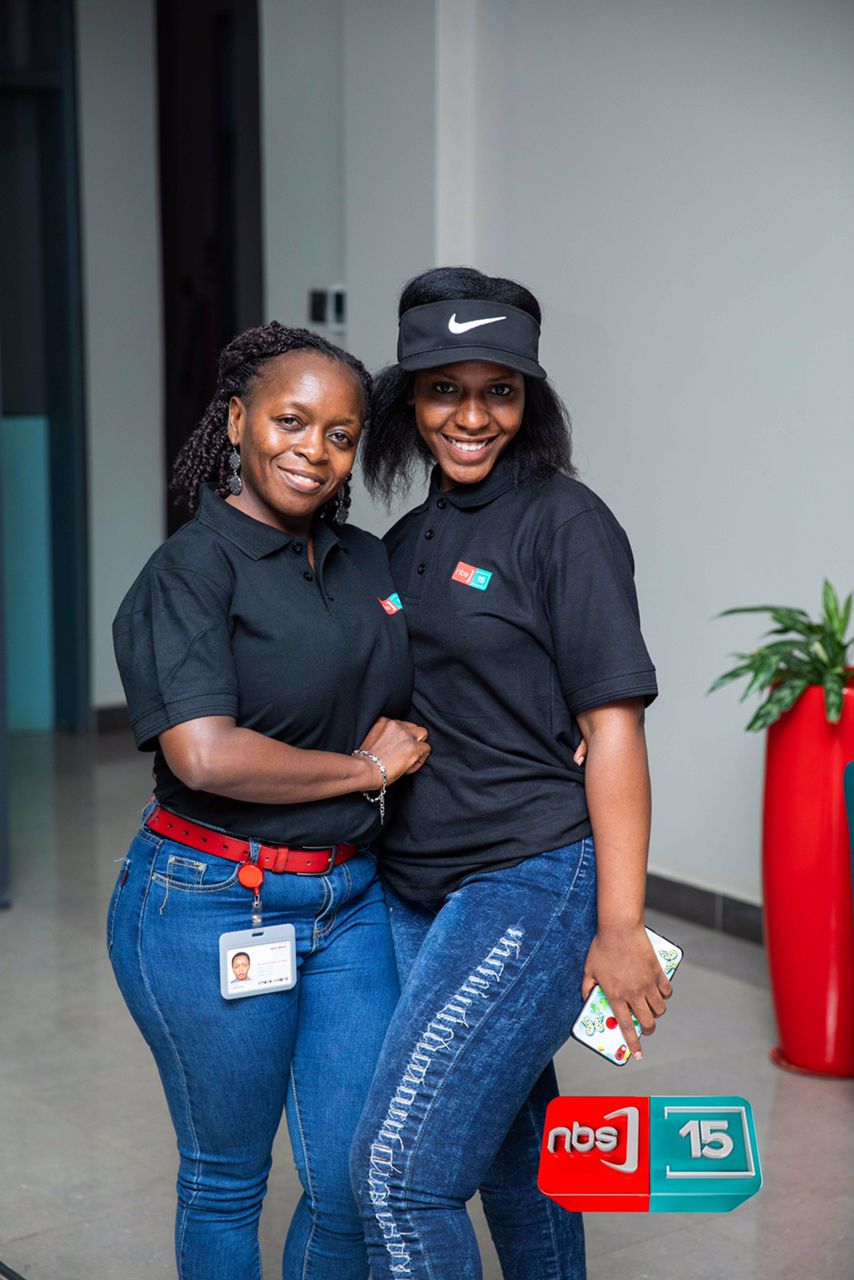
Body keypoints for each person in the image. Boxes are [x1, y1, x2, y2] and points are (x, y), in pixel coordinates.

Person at [350, 267, 671, 1280]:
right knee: (513, 1151)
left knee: (397, 1175)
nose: (471, 415)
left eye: (500, 390)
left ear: (530, 398)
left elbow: (613, 727)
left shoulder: (566, 523)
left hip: (527, 873)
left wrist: (619, 923)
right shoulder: (404, 540)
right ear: (409, 398)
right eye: (444, 389)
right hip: (416, 882)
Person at [107, 322, 431, 1280]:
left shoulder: (365, 560)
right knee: (226, 1181)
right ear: (238, 422)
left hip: (349, 897)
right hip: (212, 898)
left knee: (354, 1180)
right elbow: (206, 755)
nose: (314, 450)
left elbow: (431, 679)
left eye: (340, 434)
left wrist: (560, 718)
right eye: (291, 421)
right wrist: (366, 771)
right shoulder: (189, 571)